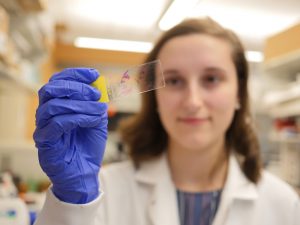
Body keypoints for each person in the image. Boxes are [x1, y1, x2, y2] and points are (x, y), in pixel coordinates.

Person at [33, 18, 299, 225]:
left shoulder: (283, 204)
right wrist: (72, 203)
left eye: (212, 79)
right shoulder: (102, 191)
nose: (193, 101)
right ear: (155, 97)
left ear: (239, 93)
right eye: (173, 81)